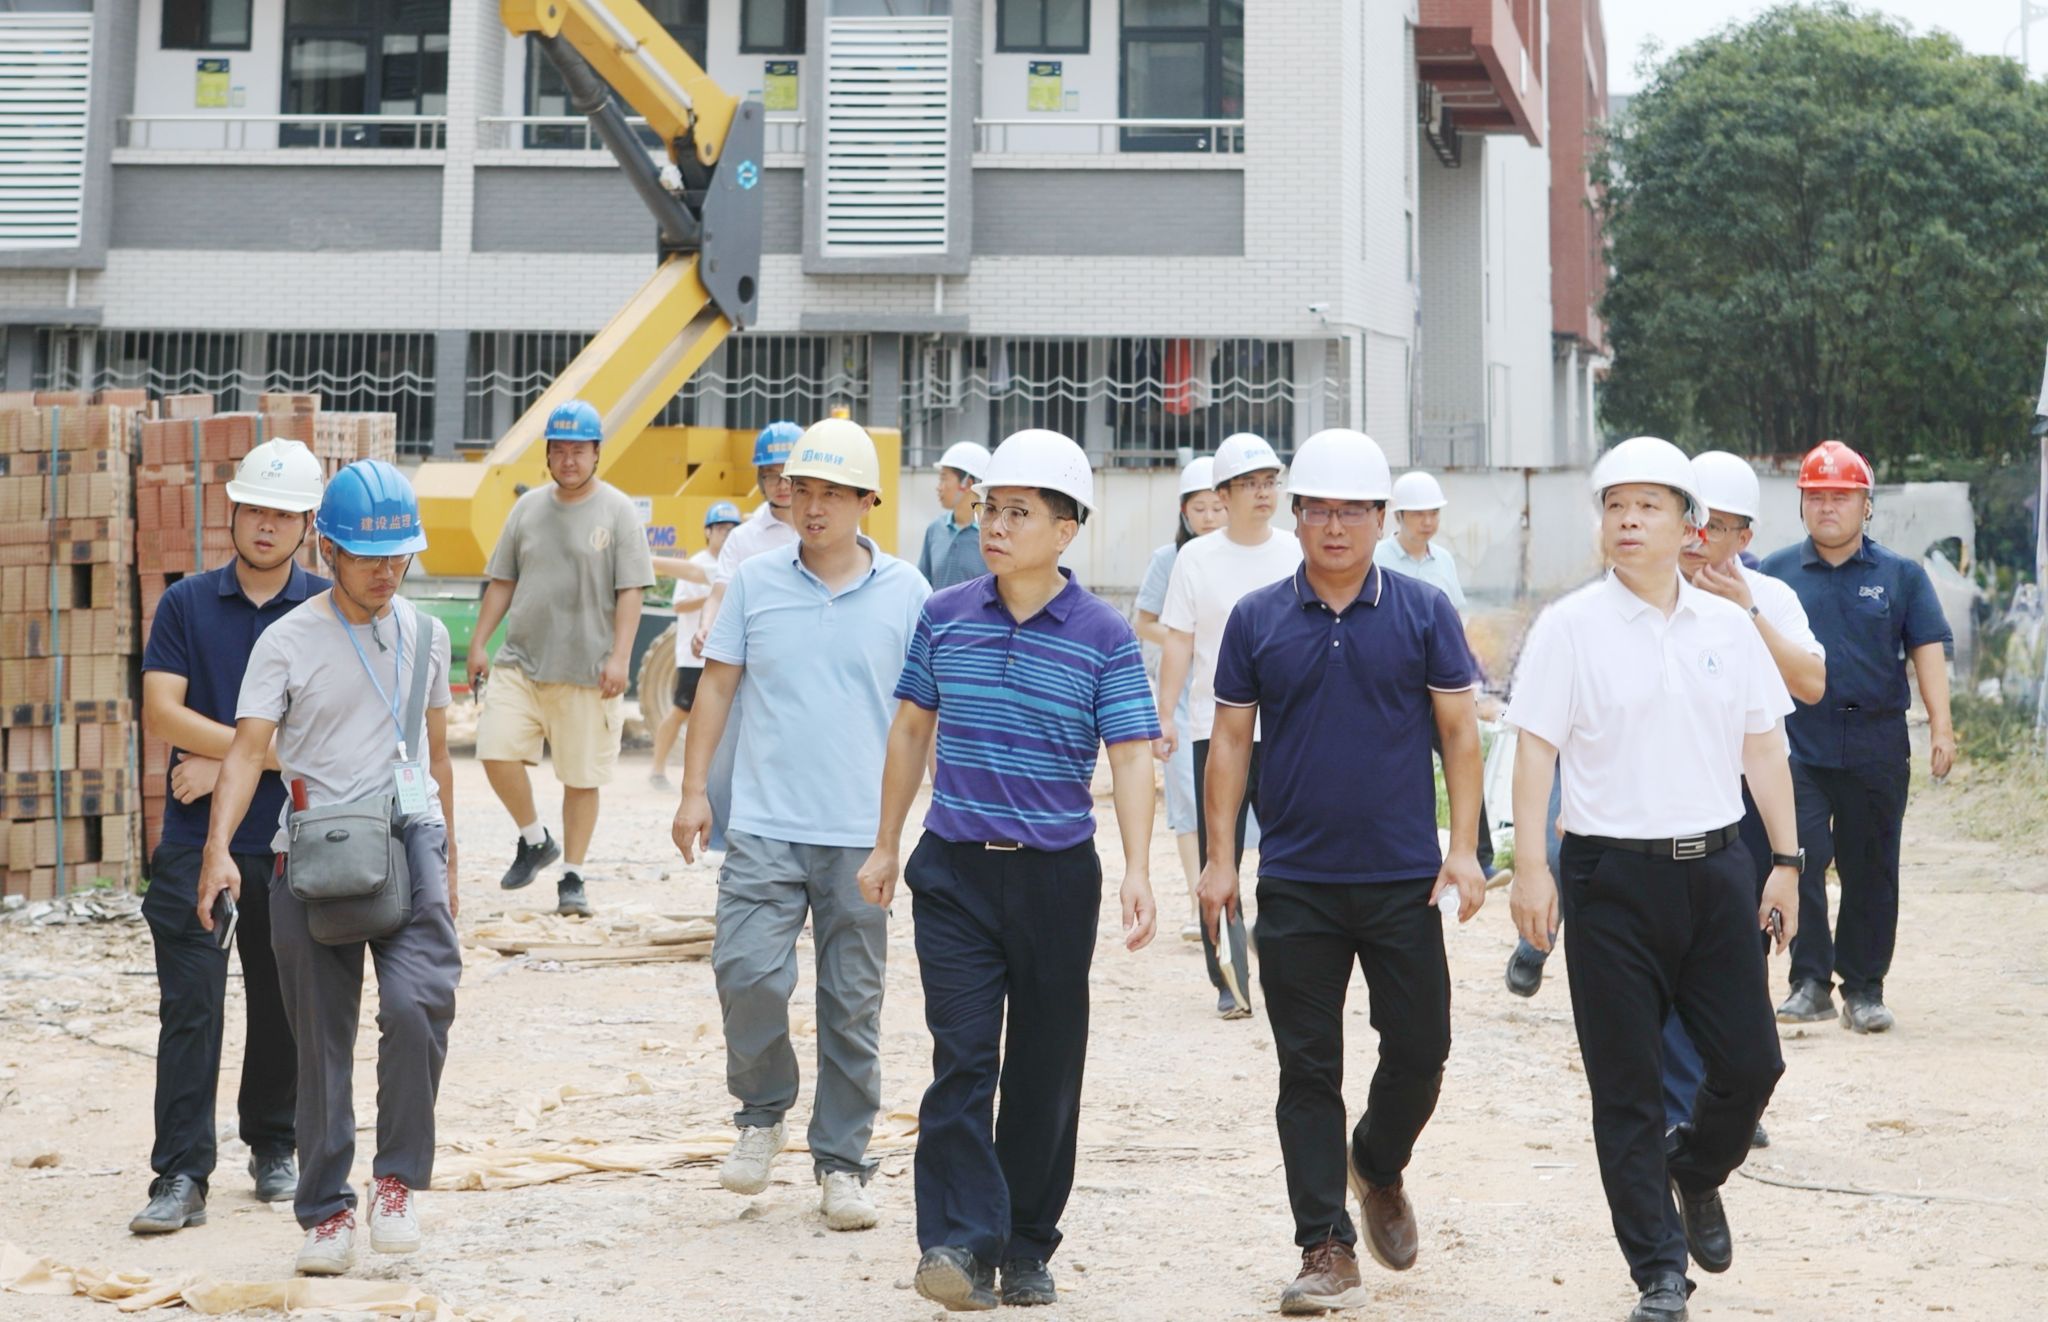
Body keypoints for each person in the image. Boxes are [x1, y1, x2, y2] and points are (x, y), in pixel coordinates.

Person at [856, 429, 1159, 1312]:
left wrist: (1139, 868)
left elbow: (1130, 754)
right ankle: (956, 1242)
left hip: (1056, 878)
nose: (994, 525)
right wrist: (886, 842)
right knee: (961, 1057)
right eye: (990, 508)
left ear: (1066, 530)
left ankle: (1025, 1244)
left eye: (1018, 512)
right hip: (953, 872)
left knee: (1044, 1065)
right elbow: (911, 728)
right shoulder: (945, 614)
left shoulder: (1103, 635)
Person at [1506, 436, 1803, 1322]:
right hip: (1608, 880)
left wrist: (1787, 863)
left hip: (1716, 871)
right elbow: (1535, 750)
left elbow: (1763, 749)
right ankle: (1658, 1271)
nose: (1628, 520)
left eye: (1649, 506)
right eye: (1615, 506)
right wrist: (1531, 869)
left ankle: (1696, 1167)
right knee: (1626, 1085)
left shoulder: (1728, 627)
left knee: (1751, 1063)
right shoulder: (1570, 627)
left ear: (1689, 527)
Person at [1197, 428, 1486, 1315]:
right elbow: (1230, 742)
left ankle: (1378, 1163)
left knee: (1422, 1049)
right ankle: (1324, 1245)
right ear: (1296, 516)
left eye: (1352, 512)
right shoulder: (1256, 619)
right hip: (1296, 880)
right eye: (1318, 510)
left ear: (1380, 518)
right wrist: (1220, 859)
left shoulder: (1423, 612)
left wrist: (1464, 847)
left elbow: (1459, 732)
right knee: (1307, 1069)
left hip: (1403, 878)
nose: (1334, 527)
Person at [196, 459, 459, 1278]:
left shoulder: (427, 635)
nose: (386, 572)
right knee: (319, 1040)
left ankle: (396, 1183)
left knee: (420, 1006)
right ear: (329, 549)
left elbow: (438, 755)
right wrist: (217, 851)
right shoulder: (286, 641)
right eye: (368, 557)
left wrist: (452, 863)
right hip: (310, 850)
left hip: (409, 839)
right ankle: (327, 1212)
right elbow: (246, 753)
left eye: (398, 556)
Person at [670, 419, 929, 1232]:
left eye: (831, 494)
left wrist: (906, 831)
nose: (812, 507)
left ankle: (843, 1163)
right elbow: (717, 686)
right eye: (802, 491)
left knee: (851, 1004)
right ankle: (761, 1113)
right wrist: (694, 791)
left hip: (862, 833)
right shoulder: (754, 582)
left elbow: (925, 715)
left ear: (867, 501)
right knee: (747, 972)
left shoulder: (908, 593)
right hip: (764, 821)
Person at [129, 440, 327, 1235]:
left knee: (283, 1003)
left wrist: (225, 765)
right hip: (193, 839)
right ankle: (180, 1173)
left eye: (283, 514)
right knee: (192, 1007)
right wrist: (249, 753)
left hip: (289, 836)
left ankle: (274, 1144)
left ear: (308, 525)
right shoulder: (186, 604)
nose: (266, 526)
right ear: (233, 514)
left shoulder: (327, 610)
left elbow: (333, 732)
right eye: (255, 511)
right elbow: (161, 713)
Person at [1760, 440, 1954, 1034]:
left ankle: (1865, 988)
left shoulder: (1901, 575)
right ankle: (1809, 982)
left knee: (1871, 866)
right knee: (1800, 857)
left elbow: (1926, 648)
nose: (1827, 507)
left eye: (1840, 497)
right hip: (1799, 743)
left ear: (1866, 505)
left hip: (1875, 743)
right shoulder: (1773, 575)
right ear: (1801, 504)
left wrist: (1941, 726)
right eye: (1816, 496)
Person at [468, 399, 655, 918]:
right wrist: (481, 643)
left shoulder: (618, 511)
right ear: (548, 455)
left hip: (588, 670)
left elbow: (632, 590)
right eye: (560, 451)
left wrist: (620, 658)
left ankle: (572, 875)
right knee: (494, 749)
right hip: (521, 661)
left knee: (581, 778)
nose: (569, 460)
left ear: (597, 453)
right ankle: (534, 839)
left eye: (579, 450)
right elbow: (502, 580)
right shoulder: (526, 509)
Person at [1155, 432, 1300, 1019]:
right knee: (1221, 855)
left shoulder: (1296, 551)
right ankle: (1228, 979)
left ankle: (1281, 951)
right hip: (1214, 732)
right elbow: (1178, 643)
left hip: (1289, 731)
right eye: (1249, 484)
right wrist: (1164, 714)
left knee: (1291, 855)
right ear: (1223, 495)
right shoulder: (1196, 559)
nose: (1263, 493)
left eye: (1270, 482)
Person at [1375, 469, 1496, 878]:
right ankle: (1406, 855)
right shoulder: (1378, 559)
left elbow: (1455, 622)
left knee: (1464, 761)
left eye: (1433, 513)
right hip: (1396, 686)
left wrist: (1469, 679)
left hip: (1441, 685)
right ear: (1399, 516)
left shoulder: (1442, 560)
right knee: (1402, 773)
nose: (1427, 521)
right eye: (1418, 514)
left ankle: (1481, 856)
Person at [691, 420, 803, 852]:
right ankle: (734, 851)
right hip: (753, 669)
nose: (781, 484)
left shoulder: (823, 527)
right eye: (770, 475)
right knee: (728, 765)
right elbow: (719, 593)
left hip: (808, 666)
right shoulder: (744, 538)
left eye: (787, 474)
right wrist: (707, 625)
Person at [1133, 457, 1227, 941]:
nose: (1209, 517)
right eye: (1199, 508)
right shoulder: (1167, 560)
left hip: (1230, 691)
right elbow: (1144, 622)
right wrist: (1184, 640)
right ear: (1184, 512)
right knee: (1189, 798)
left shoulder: (1242, 558)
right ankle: (1197, 904)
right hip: (1182, 692)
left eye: (1216, 507)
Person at [647, 500, 741, 789]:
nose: (726, 533)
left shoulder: (737, 563)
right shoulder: (699, 564)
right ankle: (657, 770)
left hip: (725, 653)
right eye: (721, 528)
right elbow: (679, 605)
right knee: (681, 710)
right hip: (694, 655)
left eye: (732, 529)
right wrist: (715, 595)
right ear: (708, 531)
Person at [918, 440, 993, 589]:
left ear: (968, 483)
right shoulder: (935, 529)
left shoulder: (992, 535)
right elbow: (922, 586)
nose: (939, 487)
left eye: (944, 478)